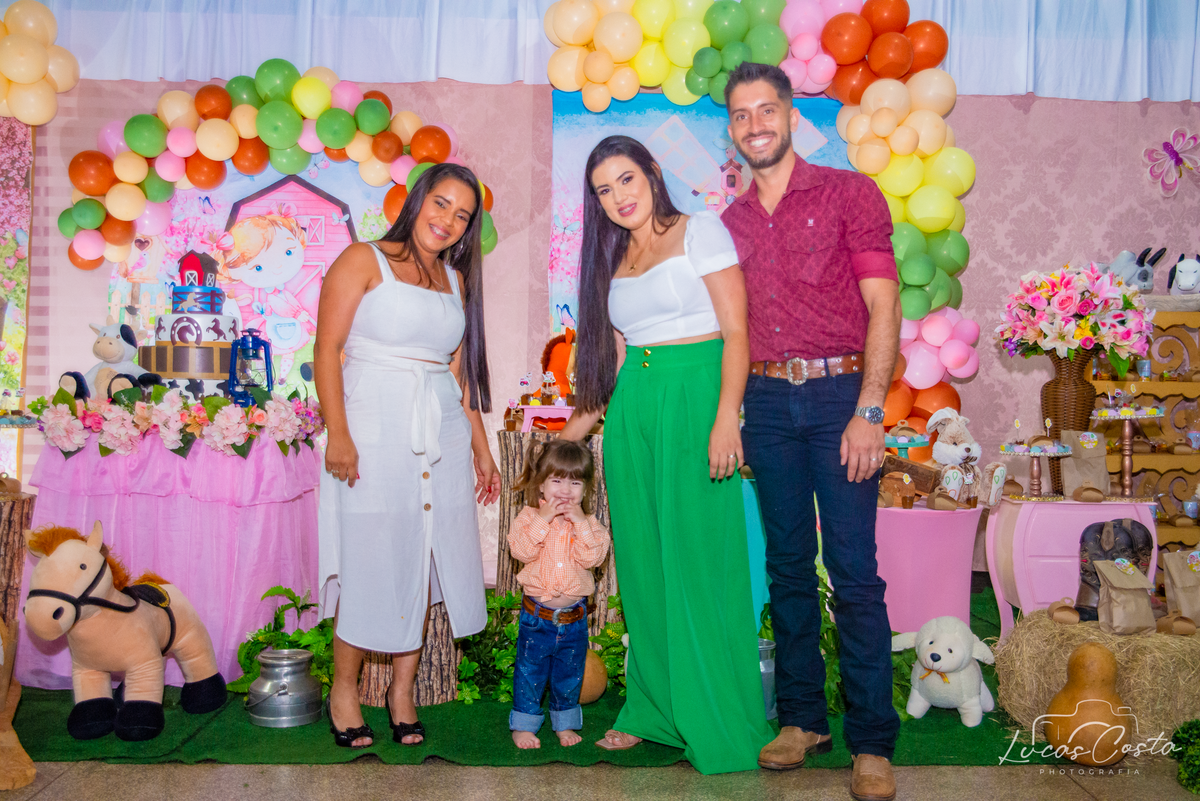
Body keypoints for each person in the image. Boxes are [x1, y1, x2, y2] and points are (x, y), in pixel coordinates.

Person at [559, 135, 774, 775]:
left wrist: (727, 419)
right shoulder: (612, 255)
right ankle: (651, 710)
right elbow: (617, 361)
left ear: (652, 173)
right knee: (645, 567)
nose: (618, 197)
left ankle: (716, 715)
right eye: (604, 190)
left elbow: (737, 332)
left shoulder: (700, 229)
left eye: (626, 179)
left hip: (697, 397)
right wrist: (571, 434)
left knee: (700, 564)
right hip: (635, 409)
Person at [719, 62, 902, 800]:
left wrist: (869, 409)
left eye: (767, 109)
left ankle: (872, 740)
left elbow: (884, 305)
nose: (755, 124)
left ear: (792, 115)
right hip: (766, 404)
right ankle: (802, 719)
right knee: (788, 567)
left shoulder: (849, 193)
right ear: (731, 130)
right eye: (741, 114)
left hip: (839, 398)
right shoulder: (729, 223)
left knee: (854, 573)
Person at [315, 162, 502, 749]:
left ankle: (403, 692)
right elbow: (326, 348)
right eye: (441, 203)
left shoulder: (455, 280)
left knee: (422, 560)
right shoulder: (361, 259)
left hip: (441, 431)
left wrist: (482, 448)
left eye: (462, 215)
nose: (448, 220)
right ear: (417, 200)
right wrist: (338, 433)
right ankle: (344, 693)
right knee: (370, 558)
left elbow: (456, 375)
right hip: (372, 427)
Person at [507, 439, 611, 750]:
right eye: (556, 481)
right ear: (541, 484)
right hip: (536, 619)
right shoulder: (529, 518)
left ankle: (564, 723)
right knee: (530, 673)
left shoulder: (589, 525)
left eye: (575, 482)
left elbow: (594, 558)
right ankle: (524, 725)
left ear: (586, 489)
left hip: (574, 621)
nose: (565, 490)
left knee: (570, 674)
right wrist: (543, 520)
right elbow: (521, 550)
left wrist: (581, 523)